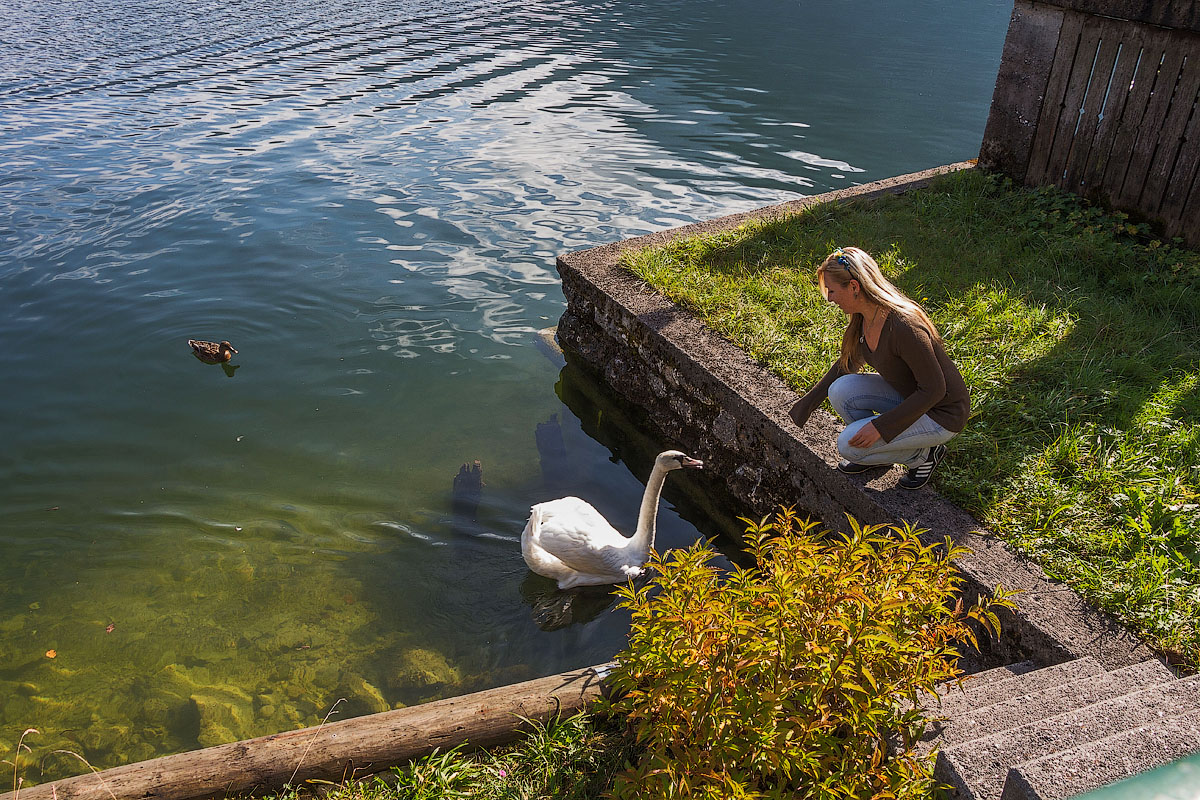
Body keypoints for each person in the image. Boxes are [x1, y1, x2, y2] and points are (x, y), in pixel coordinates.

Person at [788, 246, 969, 489]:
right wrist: (804, 407)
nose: (830, 299)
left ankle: (923, 456)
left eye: (831, 291)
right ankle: (875, 455)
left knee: (847, 446)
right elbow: (845, 366)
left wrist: (880, 428)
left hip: (941, 414)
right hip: (912, 398)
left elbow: (935, 389)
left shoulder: (905, 327)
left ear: (854, 287)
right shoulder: (864, 318)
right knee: (841, 389)